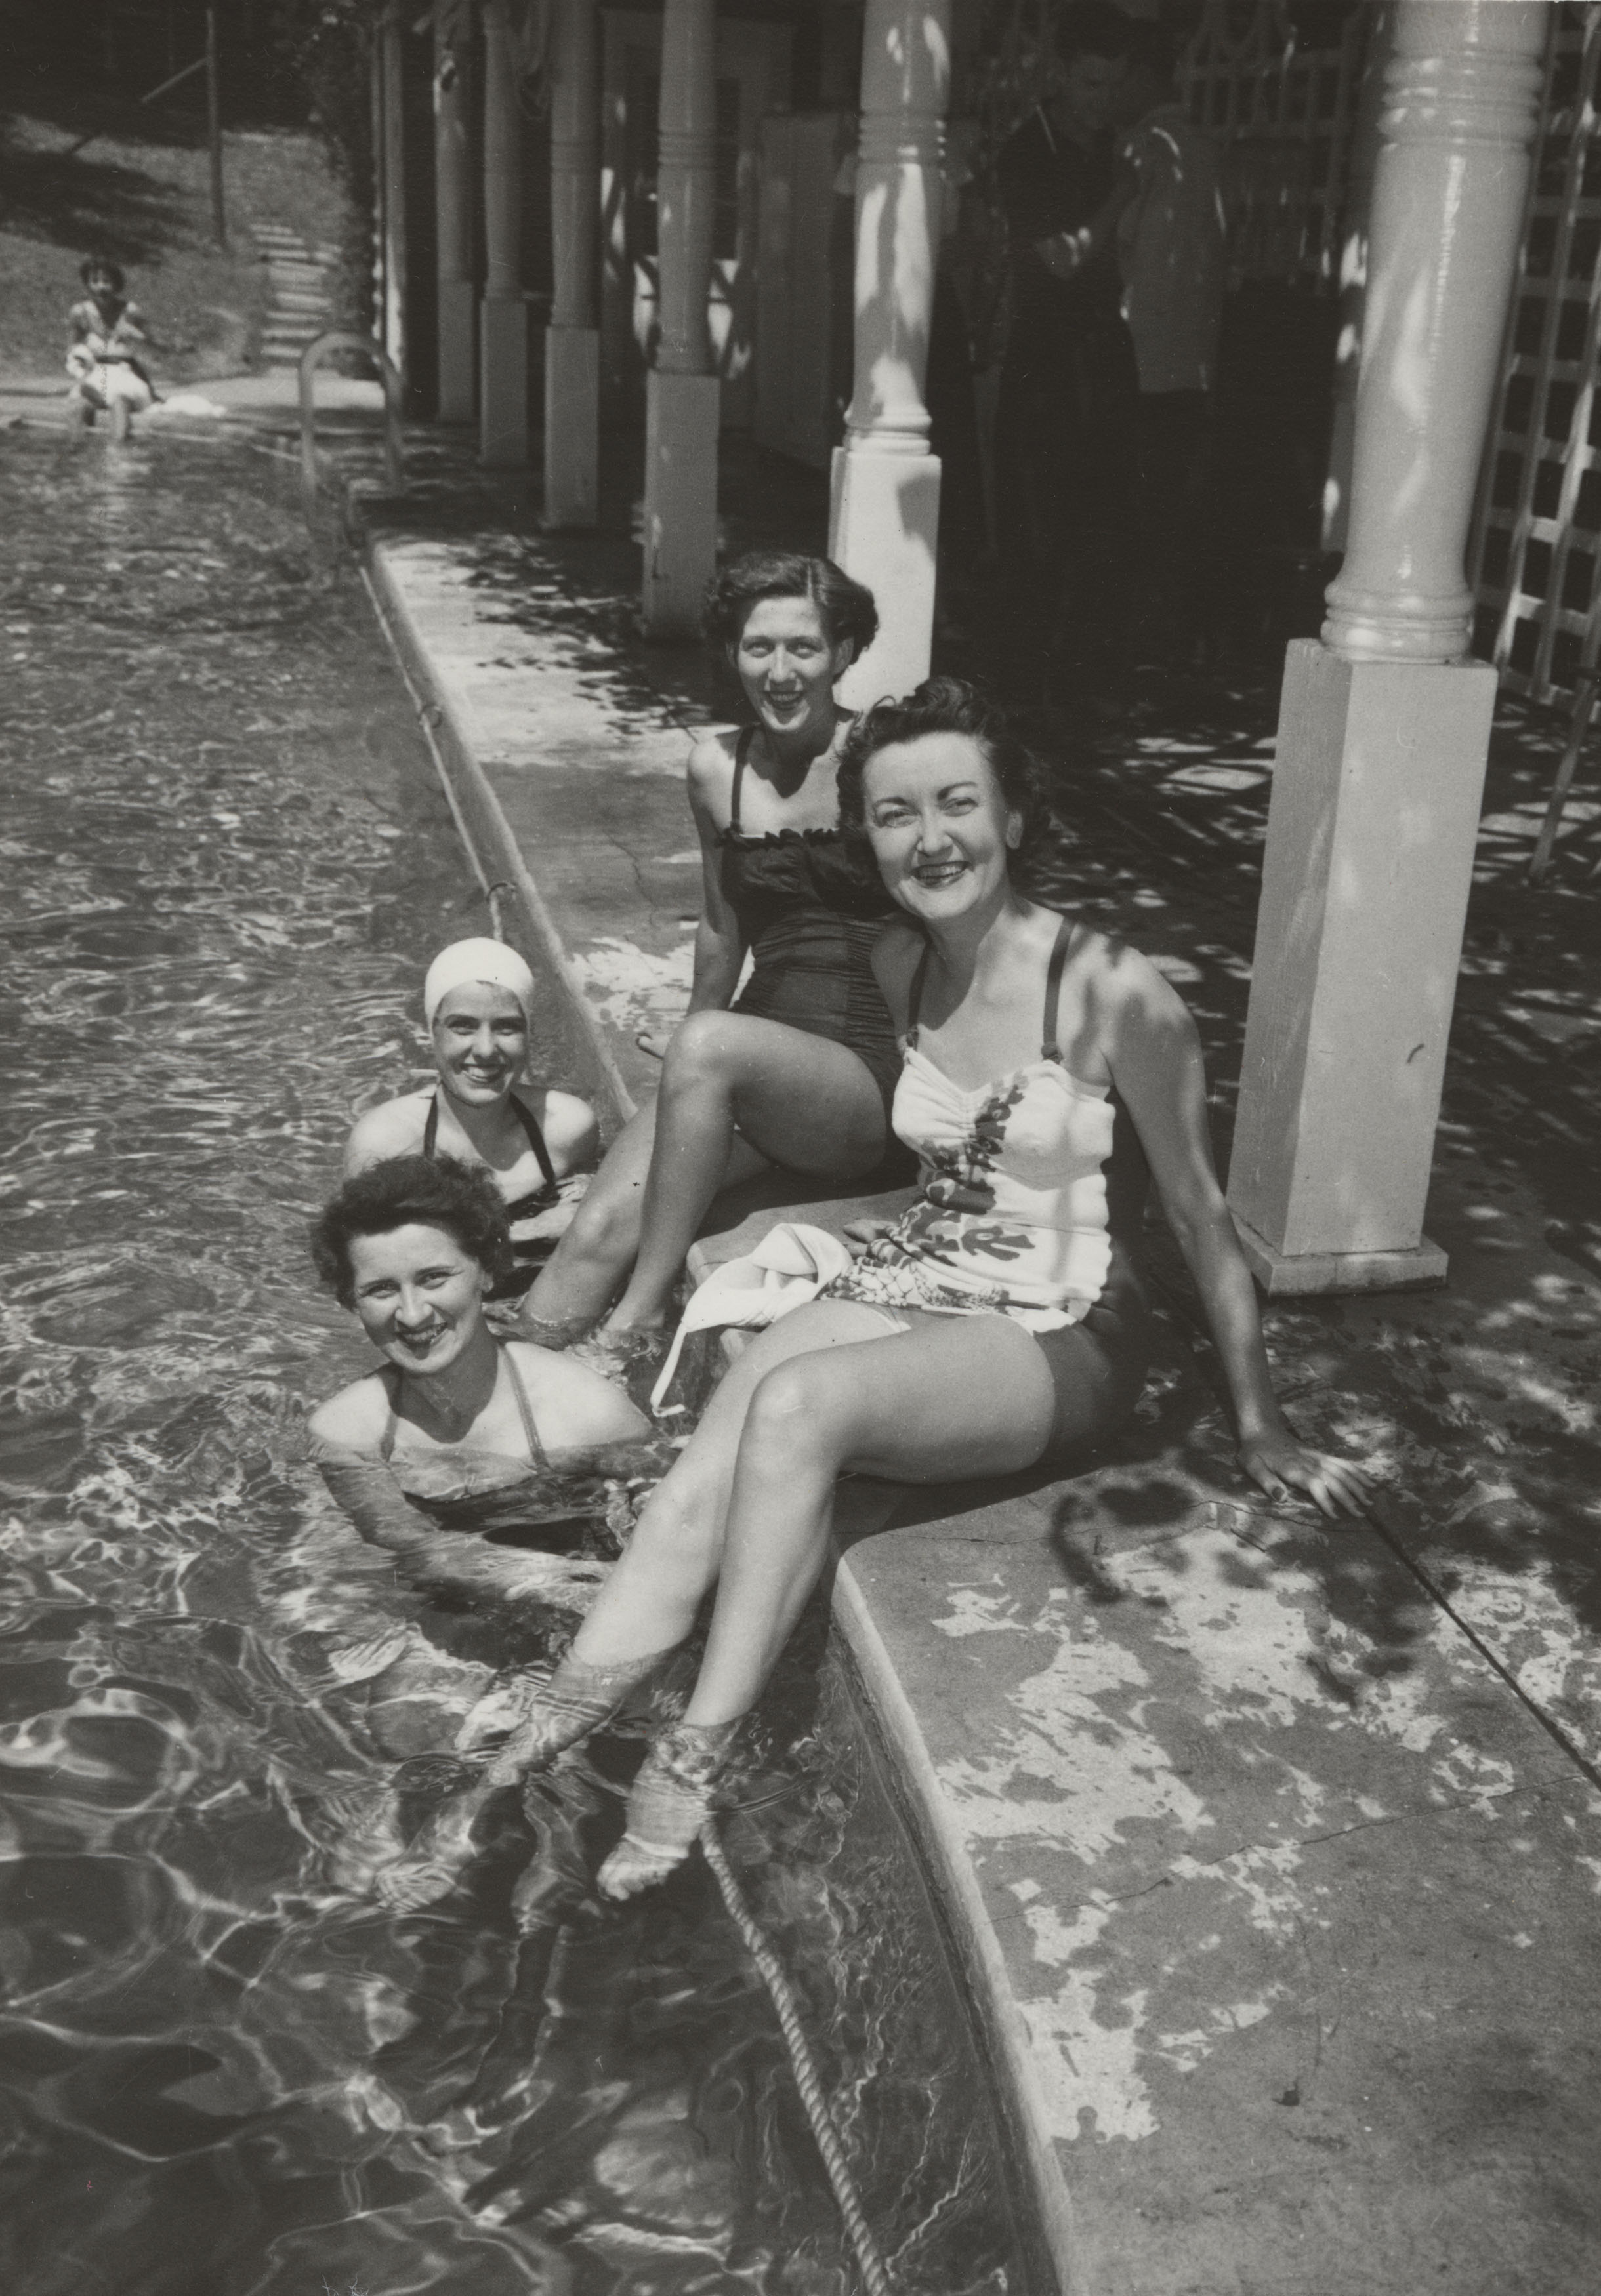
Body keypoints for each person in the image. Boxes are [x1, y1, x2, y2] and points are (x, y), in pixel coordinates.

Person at [396, 679, 1371, 1907]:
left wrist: (1261, 1420)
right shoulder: (904, 959)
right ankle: (528, 1747)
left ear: (1014, 814)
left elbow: (1197, 1215)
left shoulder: (1117, 991)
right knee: (718, 1448)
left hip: (1068, 1325)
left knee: (802, 1410)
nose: (931, 839)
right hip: (926, 1270)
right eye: (896, 816)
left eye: (958, 803)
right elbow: (791, 1000)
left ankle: (697, 1752)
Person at [520, 550, 909, 1350]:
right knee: (592, 1234)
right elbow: (722, 924)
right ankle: (508, 1406)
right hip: (746, 1060)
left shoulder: (884, 759)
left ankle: (639, 1316)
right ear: (732, 653)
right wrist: (692, 1058)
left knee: (708, 1047)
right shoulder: (715, 769)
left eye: (802, 647)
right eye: (756, 647)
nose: (779, 670)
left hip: (864, 1078)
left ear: (843, 652)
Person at [308, 1154, 650, 1586]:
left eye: (434, 1278)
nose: (412, 1315)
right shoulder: (346, 1429)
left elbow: (672, 1530)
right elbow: (416, 1549)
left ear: (486, 1272)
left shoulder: (588, 1415)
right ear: (350, 1302)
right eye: (381, 1290)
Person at [994, 1, 1141, 680]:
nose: (1102, 102)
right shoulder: (1029, 151)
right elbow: (1061, 257)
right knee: (1034, 519)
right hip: (1043, 362)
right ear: (1059, 74)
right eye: (1089, 85)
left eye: (1113, 86)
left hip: (1101, 354)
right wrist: (1121, 196)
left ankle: (1076, 666)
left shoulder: (1103, 145)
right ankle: (1023, 669)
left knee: (1100, 516)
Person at [344, 937, 598, 1298]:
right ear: (431, 1033)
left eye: (507, 1027)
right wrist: (532, 1230)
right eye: (463, 1026)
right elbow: (371, 1280)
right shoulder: (384, 1144)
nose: (485, 1049)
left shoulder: (566, 1128)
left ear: (528, 1035)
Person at [1116, 19, 1227, 660]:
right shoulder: (1201, 147)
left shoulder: (1145, 146)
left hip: (1140, 359)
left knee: (1141, 508)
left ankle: (1147, 638)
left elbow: (1128, 246)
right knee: (1174, 506)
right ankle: (1172, 636)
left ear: (1141, 75)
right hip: (1193, 360)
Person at [66, 256, 159, 432]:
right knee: (79, 407)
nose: (101, 287)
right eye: (95, 281)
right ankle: (75, 454)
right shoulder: (80, 312)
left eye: (106, 281)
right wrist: (80, 372)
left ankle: (119, 455)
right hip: (94, 375)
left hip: (125, 375)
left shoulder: (130, 311)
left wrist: (137, 334)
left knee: (119, 402)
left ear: (116, 284)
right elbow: (71, 350)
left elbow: (155, 343)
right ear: (87, 283)